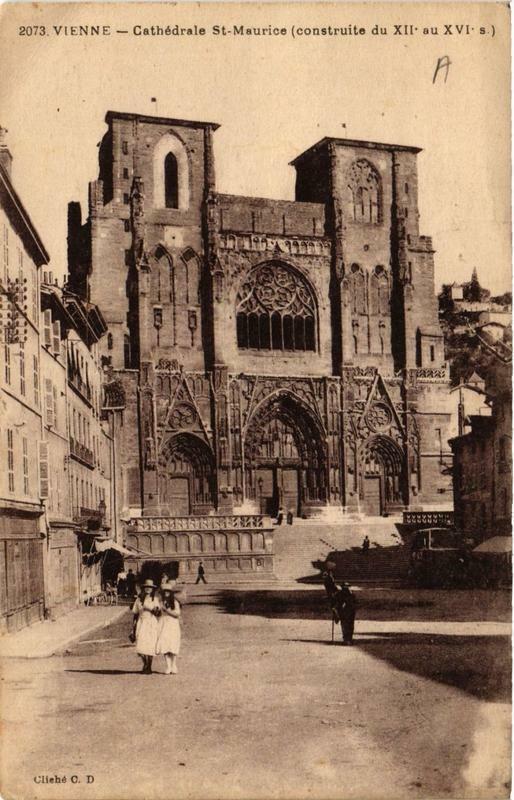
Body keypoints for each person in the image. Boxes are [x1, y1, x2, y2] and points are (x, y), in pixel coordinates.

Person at [131, 578, 162, 674]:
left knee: (150, 645)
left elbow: (158, 614)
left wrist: (150, 609)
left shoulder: (155, 600)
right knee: (140, 645)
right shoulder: (139, 600)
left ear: (152, 589)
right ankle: (145, 663)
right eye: (146, 587)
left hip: (151, 623)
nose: (148, 589)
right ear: (143, 588)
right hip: (142, 622)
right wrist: (133, 627)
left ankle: (149, 667)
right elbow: (135, 614)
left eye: (150, 587)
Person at [156, 581, 181, 674]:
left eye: (168, 592)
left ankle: (174, 664)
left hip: (173, 624)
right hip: (163, 624)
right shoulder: (160, 602)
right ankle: (168, 666)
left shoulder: (174, 602)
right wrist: (157, 612)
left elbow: (177, 614)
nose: (166, 593)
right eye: (164, 592)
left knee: (173, 644)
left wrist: (167, 610)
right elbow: (158, 614)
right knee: (165, 644)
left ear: (171, 593)